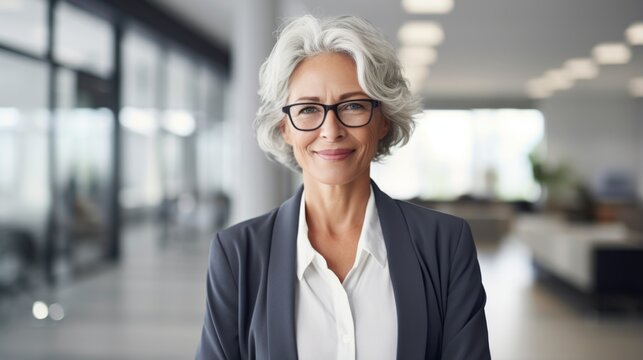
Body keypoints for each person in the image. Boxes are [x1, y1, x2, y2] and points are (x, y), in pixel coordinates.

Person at [196, 15, 490, 360]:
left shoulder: (445, 244)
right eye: (308, 109)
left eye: (352, 105)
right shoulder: (237, 254)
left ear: (383, 120)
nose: (330, 130)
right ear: (285, 128)